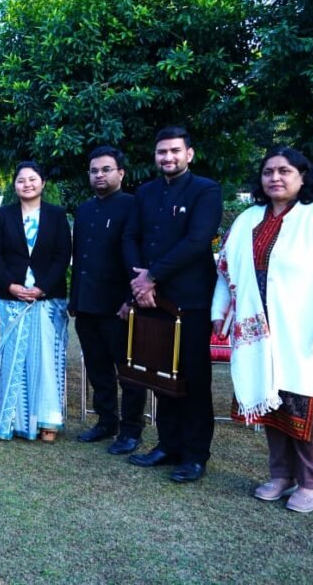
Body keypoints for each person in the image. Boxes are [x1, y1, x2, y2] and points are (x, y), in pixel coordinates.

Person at [212, 147, 313, 512]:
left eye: (284, 171)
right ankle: (281, 476)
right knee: (271, 404)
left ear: (302, 176)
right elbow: (226, 270)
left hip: (305, 333)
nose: (275, 177)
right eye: (268, 172)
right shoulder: (248, 218)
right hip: (259, 334)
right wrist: (219, 312)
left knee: (307, 406)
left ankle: (311, 484)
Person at [124, 126, 221, 483]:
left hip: (190, 300)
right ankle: (168, 445)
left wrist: (151, 276)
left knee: (193, 378)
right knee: (160, 374)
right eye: (162, 152)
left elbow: (197, 241)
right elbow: (131, 237)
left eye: (175, 151)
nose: (168, 157)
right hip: (151, 300)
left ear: (189, 154)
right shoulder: (145, 193)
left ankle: (194, 455)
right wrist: (140, 283)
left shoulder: (205, 190)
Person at [0, 161, 71, 442]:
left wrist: (42, 288)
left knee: (46, 359)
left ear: (42, 182)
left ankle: (48, 422)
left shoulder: (57, 215)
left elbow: (62, 255)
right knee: (15, 359)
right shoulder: (4, 215)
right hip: (12, 300)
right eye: (21, 180)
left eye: (32, 179)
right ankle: (12, 422)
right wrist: (10, 285)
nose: (27, 184)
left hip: (48, 300)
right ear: (14, 185)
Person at [70, 146, 146, 455]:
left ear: (121, 173)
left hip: (119, 307)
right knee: (97, 368)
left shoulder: (132, 206)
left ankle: (131, 430)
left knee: (128, 372)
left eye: (106, 169)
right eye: (94, 171)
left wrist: (131, 300)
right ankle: (106, 421)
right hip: (87, 304)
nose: (99, 175)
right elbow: (81, 257)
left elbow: (138, 257)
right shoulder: (85, 209)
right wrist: (75, 300)